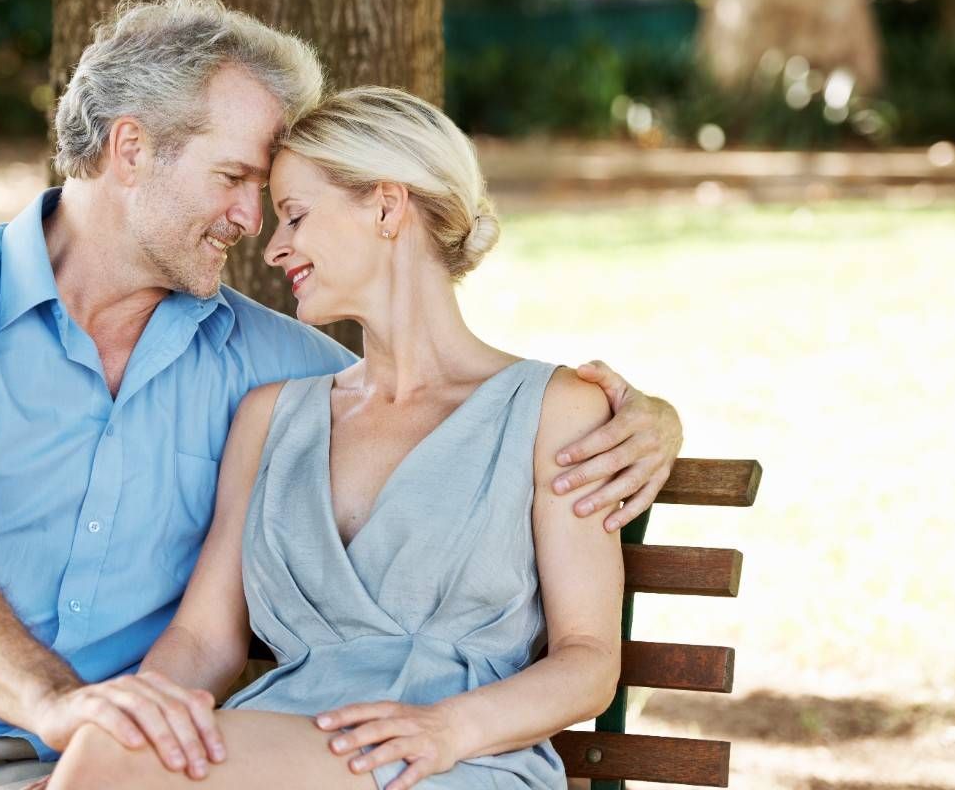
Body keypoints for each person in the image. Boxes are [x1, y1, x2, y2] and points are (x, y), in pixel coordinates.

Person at [0, 0, 680, 790]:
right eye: (236, 180)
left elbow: (456, 412)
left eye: (279, 201)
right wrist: (72, 711)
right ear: (131, 149)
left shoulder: (276, 369)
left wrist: (647, 420)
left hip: (42, 766)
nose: (255, 228)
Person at [39, 86, 626, 790]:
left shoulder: (554, 411)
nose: (274, 244)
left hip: (453, 761)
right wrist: (136, 725)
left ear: (385, 206)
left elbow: (590, 658)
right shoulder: (271, 418)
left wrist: (449, 728)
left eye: (294, 215)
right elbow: (204, 637)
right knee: (111, 749)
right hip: (286, 746)